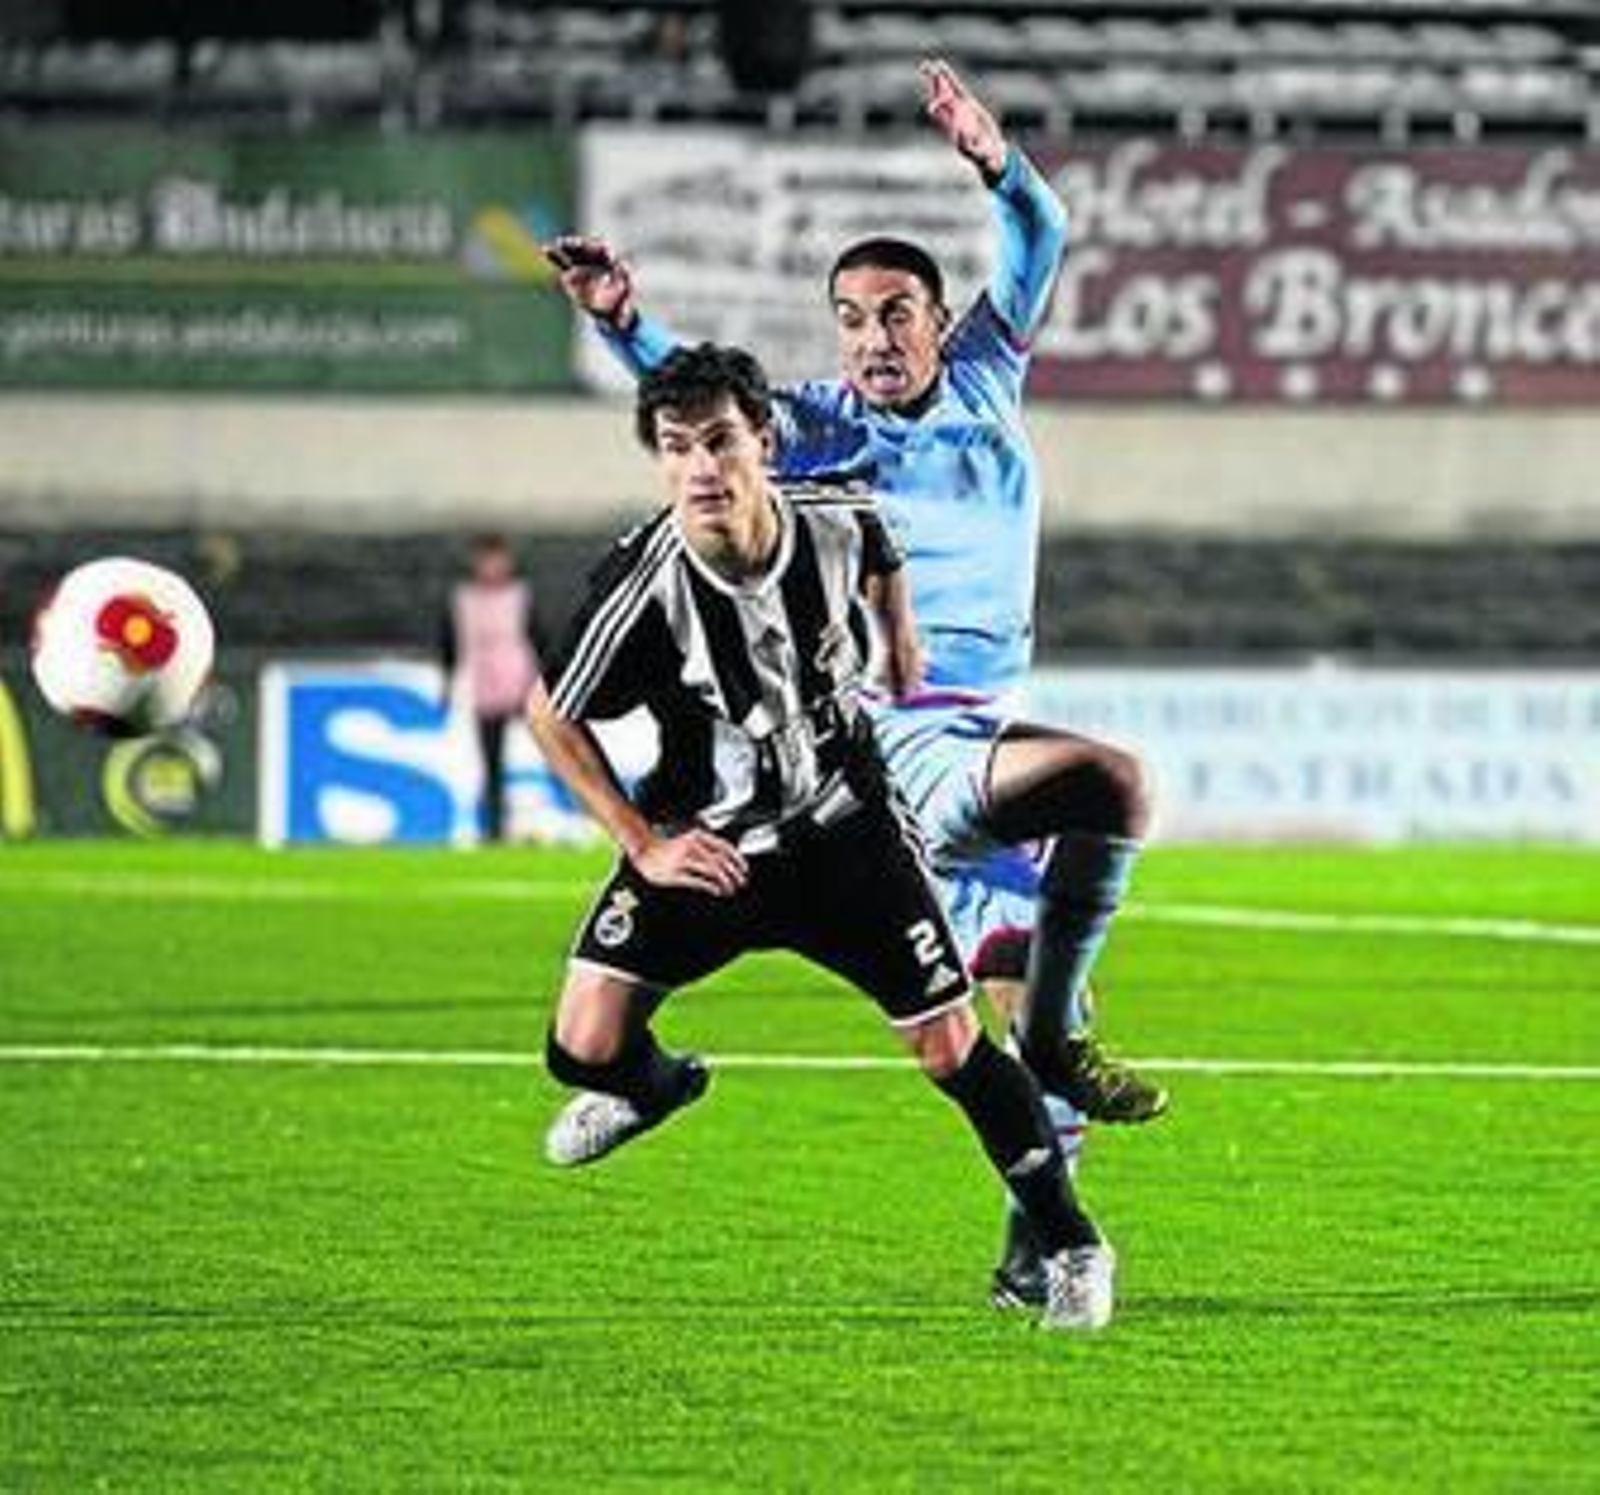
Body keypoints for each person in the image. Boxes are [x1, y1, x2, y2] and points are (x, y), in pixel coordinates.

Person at [544, 59, 1163, 1308]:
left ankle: (1028, 1260)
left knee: (1007, 996)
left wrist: (993, 156)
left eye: (893, 313)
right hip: (897, 736)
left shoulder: (991, 375)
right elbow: (705, 415)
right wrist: (623, 322)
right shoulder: (815, 426)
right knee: (1098, 802)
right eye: (849, 317)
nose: (871, 338)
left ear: (940, 319)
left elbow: (1040, 232)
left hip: (981, 728)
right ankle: (1039, 1058)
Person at [529, 342, 1117, 1331]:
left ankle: (1071, 1245)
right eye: (676, 448)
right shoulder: (640, 586)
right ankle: (656, 1088)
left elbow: (881, 549)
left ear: (763, 442)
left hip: (847, 841)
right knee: (581, 1049)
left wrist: (901, 644)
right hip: (708, 851)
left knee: (949, 1045)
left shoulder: (838, 519)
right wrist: (641, 844)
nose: (700, 468)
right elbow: (554, 716)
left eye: (719, 441)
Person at [440, 532, 545, 843]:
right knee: (491, 764)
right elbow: (449, 645)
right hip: (484, 689)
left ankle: (582, 817)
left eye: (497, 559)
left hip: (523, 684)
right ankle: (494, 830)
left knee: (560, 753)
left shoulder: (521, 595)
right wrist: (448, 685)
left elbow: (540, 639)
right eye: (486, 559)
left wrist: (545, 684)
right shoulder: (461, 598)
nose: (492, 567)